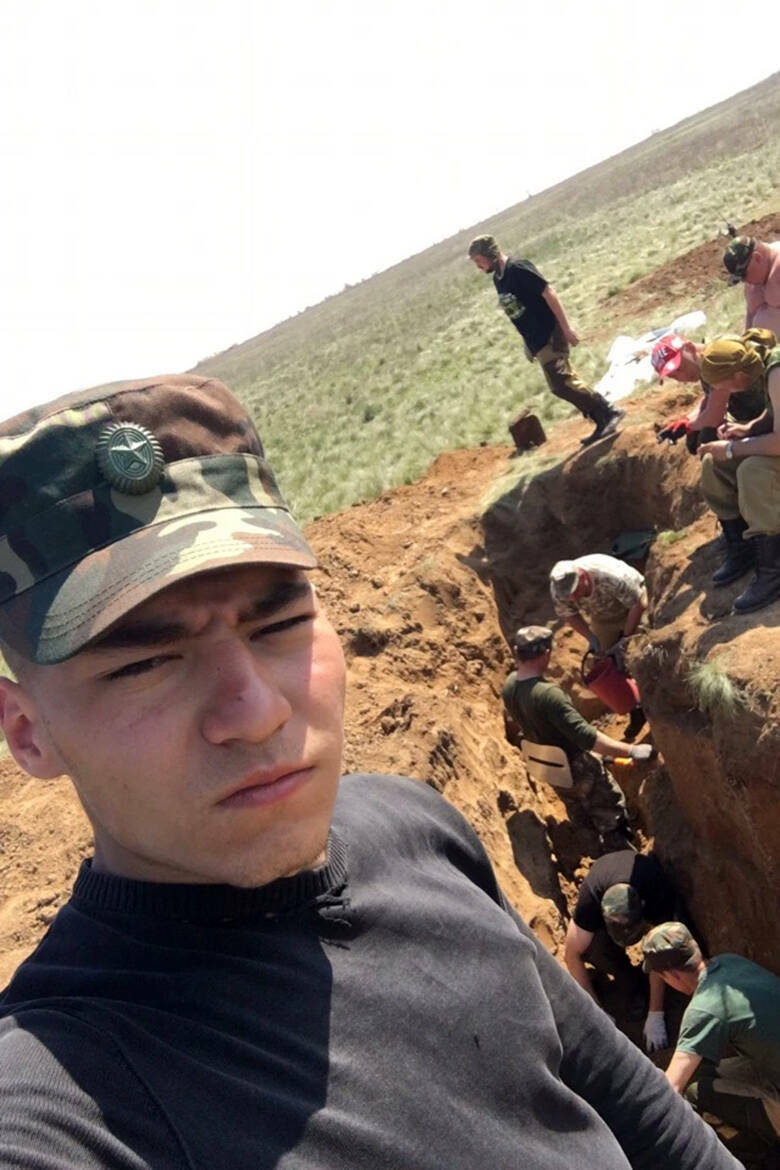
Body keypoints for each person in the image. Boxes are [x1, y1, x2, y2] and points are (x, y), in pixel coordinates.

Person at [0, 376, 739, 1169]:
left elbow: (646, 1118)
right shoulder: (65, 1100)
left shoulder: (417, 830)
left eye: (280, 622)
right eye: (145, 663)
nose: (257, 712)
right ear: (27, 732)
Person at [501, 626, 652, 853]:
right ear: (546, 653)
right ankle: (622, 851)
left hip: (547, 764)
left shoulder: (510, 685)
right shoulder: (548, 695)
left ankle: (594, 850)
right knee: (610, 805)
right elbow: (586, 736)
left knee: (577, 808)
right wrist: (630, 751)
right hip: (574, 765)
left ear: (517, 652)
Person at [468, 234, 624, 446]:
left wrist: (566, 328)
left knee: (561, 383)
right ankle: (601, 421)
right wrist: (527, 343)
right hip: (537, 340)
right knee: (563, 383)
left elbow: (548, 292)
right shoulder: (499, 279)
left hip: (550, 333)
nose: (478, 266)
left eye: (479, 261)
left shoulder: (518, 268)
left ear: (490, 254)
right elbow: (518, 312)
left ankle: (609, 412)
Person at [642, 922, 780, 1155]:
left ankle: (753, 1151)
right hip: (770, 1067)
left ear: (672, 975)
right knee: (702, 1070)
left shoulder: (704, 1008)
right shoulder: (731, 962)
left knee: (694, 1092)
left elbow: (671, 1088)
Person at [564, 851, 682, 1054]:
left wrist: (656, 1013)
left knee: (666, 947)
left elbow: (661, 952)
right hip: (606, 880)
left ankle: (650, 992)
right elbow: (571, 954)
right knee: (595, 948)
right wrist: (597, 1013)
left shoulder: (656, 892)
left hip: (646, 890)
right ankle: (632, 982)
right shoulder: (591, 898)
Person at [697, 334, 780, 611]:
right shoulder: (765, 369)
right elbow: (774, 413)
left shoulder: (777, 372)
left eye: (720, 384)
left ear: (738, 376)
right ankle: (742, 547)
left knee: (754, 471)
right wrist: (747, 430)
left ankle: (773, 570)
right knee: (714, 464)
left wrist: (733, 449)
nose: (720, 391)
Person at [549, 554, 647, 741]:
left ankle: (654, 706)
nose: (572, 598)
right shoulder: (560, 589)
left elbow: (639, 603)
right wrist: (591, 637)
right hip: (603, 618)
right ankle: (636, 710)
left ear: (583, 577)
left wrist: (624, 640)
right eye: (568, 595)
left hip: (631, 609)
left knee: (640, 657)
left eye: (575, 591)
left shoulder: (611, 576)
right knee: (605, 665)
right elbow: (569, 614)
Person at [652, 330, 771, 452]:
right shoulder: (703, 361)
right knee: (697, 437)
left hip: (770, 414)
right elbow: (711, 397)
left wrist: (688, 426)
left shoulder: (717, 359)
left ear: (689, 348)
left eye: (680, 368)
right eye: (673, 376)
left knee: (708, 437)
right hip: (758, 413)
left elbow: (714, 417)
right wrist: (686, 421)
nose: (681, 377)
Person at [723, 235, 780, 338]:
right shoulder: (754, 283)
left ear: (757, 258)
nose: (745, 281)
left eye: (744, 274)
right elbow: (750, 314)